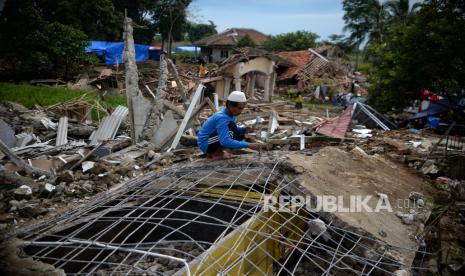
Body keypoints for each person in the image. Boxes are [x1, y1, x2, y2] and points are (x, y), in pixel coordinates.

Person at [197, 91, 264, 160]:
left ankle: (219, 152)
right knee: (231, 128)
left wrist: (246, 129)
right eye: (239, 108)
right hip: (205, 144)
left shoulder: (231, 115)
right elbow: (225, 141)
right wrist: (248, 145)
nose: (241, 111)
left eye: (242, 108)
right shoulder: (222, 118)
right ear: (229, 105)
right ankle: (216, 154)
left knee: (236, 131)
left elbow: (234, 130)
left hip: (211, 141)